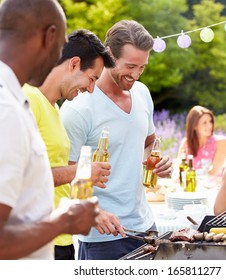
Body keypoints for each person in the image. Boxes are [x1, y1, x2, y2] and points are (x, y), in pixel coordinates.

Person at [0, 0, 99, 260]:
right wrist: (63, 222)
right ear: (49, 35)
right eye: (60, 45)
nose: (59, 57)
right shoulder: (0, 109)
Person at [60, 20, 172, 260]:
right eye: (130, 66)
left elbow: (148, 142)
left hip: (145, 227)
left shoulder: (142, 93)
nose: (136, 74)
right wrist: (94, 211)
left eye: (142, 67)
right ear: (109, 55)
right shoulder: (78, 108)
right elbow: (65, 175)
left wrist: (155, 161)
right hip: (103, 238)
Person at [23, 29, 117, 260]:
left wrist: (93, 212)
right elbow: (21, 175)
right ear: (74, 64)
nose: (91, 88)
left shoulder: (54, 108)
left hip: (61, 238)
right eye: (92, 78)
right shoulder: (28, 99)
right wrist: (83, 171)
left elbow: (56, 180)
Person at [178, 105, 226, 177]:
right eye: (204, 123)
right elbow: (178, 169)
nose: (210, 126)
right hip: (190, 186)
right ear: (194, 126)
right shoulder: (186, 143)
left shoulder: (221, 142)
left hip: (213, 186)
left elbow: (214, 172)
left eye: (210, 121)